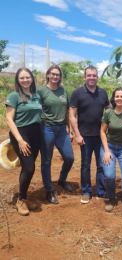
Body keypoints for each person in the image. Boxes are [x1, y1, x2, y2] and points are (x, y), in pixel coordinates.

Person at [69, 66, 111, 204]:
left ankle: (101, 191)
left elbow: (109, 111)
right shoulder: (77, 93)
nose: (91, 78)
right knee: (85, 164)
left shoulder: (103, 93)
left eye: (94, 75)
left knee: (101, 164)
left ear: (97, 77)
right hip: (85, 135)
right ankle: (86, 191)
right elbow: (72, 114)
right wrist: (77, 134)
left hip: (100, 135)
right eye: (89, 75)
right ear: (84, 77)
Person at [5, 68, 42, 215]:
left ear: (32, 79)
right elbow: (9, 119)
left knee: (27, 167)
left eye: (27, 77)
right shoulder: (14, 96)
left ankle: (23, 196)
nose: (25, 80)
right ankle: (20, 200)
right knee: (29, 168)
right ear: (18, 80)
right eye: (22, 78)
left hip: (36, 134)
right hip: (21, 134)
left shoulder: (36, 96)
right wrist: (20, 140)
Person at [37, 65, 74, 204]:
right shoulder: (41, 91)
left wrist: (70, 130)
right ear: (48, 75)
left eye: (57, 75)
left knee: (69, 158)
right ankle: (49, 190)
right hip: (46, 128)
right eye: (52, 74)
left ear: (60, 77)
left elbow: (68, 112)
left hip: (61, 129)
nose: (55, 77)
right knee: (47, 160)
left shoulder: (64, 91)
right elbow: (35, 110)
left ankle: (62, 179)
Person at [100, 88, 122, 218]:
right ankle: (111, 199)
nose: (119, 99)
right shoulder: (108, 112)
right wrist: (106, 151)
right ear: (113, 98)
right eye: (117, 96)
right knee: (109, 176)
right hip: (108, 147)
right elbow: (103, 132)